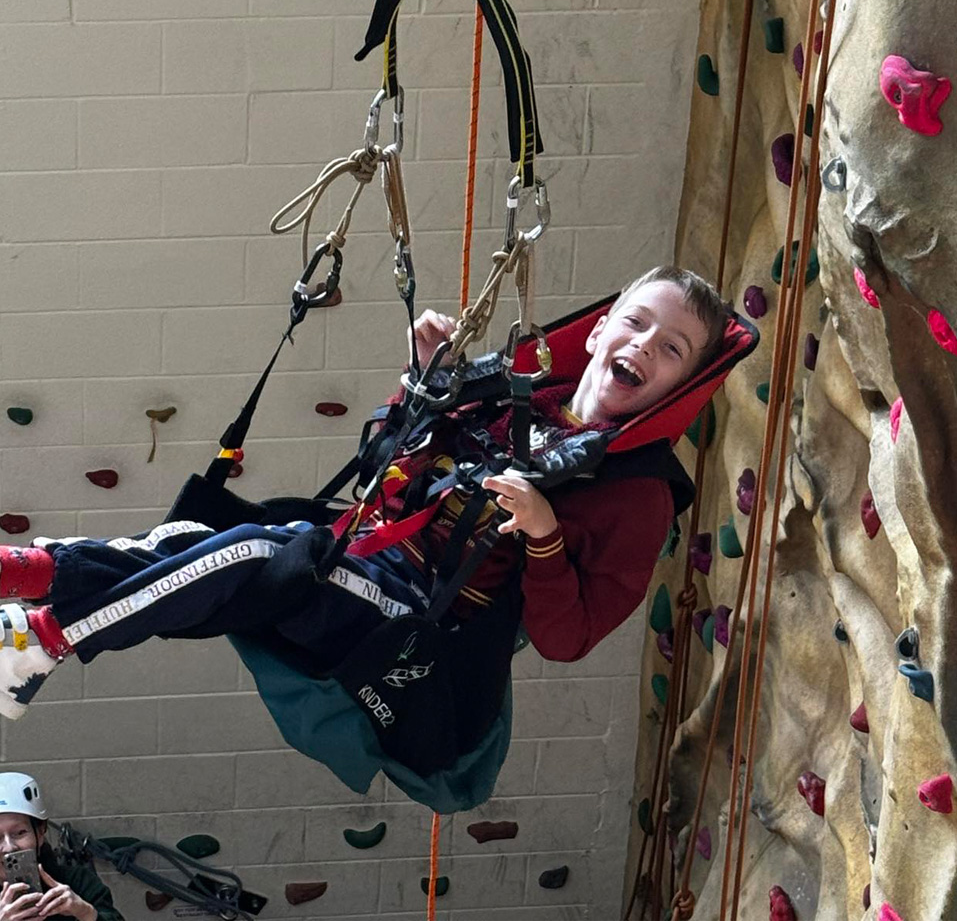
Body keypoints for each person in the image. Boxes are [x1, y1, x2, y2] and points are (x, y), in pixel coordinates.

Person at [0, 266, 729, 721]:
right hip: (359, 547)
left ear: (682, 385)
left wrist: (543, 535)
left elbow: (566, 640)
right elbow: (380, 457)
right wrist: (419, 383)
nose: (643, 346)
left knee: (252, 549)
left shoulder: (637, 495)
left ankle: (44, 640)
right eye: (636, 324)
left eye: (670, 349)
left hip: (409, 618)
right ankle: (25, 575)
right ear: (601, 330)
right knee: (189, 544)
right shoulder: (515, 389)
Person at [0, 772, 123, 921]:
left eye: (20, 833)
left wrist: (86, 913)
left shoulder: (78, 882)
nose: (9, 847)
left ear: (40, 832)